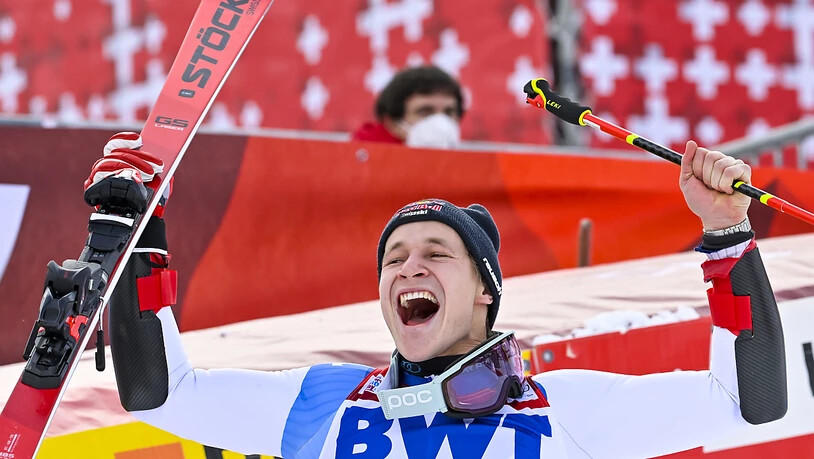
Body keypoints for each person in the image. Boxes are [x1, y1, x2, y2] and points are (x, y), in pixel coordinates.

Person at [90, 133, 787, 458]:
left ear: (486, 290)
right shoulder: (324, 402)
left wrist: (726, 231)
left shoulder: (565, 407)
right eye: (393, 258)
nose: (407, 268)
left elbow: (748, 405)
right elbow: (163, 393)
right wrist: (138, 237)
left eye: (433, 254)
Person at [352, 65, 464, 149]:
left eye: (449, 112)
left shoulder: (464, 171)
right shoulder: (357, 169)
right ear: (392, 122)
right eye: (425, 112)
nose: (440, 122)